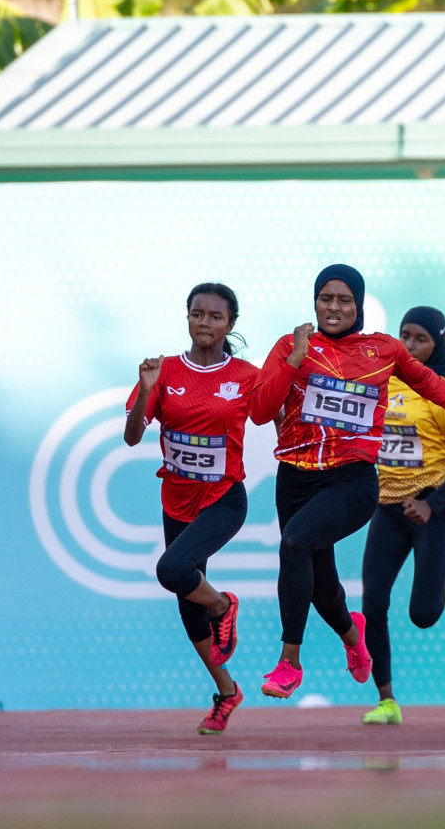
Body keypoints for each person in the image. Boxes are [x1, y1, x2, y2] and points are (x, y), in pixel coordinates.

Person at [248, 265, 445, 700]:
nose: (334, 307)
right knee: (321, 588)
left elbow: (431, 382)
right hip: (295, 479)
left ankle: (289, 661)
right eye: (326, 299)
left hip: (352, 480)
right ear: (315, 301)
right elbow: (261, 411)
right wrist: (294, 360)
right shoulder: (291, 345)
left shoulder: (383, 350)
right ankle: (353, 639)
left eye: (344, 300)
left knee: (296, 543)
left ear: (358, 305)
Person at [124, 282, 258, 735]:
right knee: (186, 606)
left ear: (230, 324)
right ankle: (227, 691)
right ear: (187, 318)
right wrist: (145, 391)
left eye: (215, 316)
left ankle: (223, 605)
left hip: (223, 499)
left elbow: (276, 412)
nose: (205, 322)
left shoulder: (245, 375)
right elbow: (131, 435)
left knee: (172, 571)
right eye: (196, 314)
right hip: (177, 502)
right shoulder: (162, 371)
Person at [359, 306, 445, 726]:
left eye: (420, 339)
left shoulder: (443, 393)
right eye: (404, 336)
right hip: (388, 508)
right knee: (372, 602)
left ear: (438, 344)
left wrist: (433, 503)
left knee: (423, 616)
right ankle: (387, 700)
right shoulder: (382, 382)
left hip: (433, 509)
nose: (409, 346)